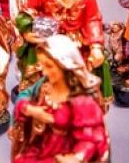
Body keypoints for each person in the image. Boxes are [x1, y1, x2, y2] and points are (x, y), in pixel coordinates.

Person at [10, 34, 110, 163]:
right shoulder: (45, 85)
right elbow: (24, 98)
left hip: (65, 152)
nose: (45, 72)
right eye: (43, 66)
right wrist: (31, 110)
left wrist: (77, 157)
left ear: (64, 64)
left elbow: (91, 138)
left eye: (50, 66)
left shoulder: (82, 100)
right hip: (42, 146)